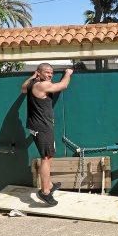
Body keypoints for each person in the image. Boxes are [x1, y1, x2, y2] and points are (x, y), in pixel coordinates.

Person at [21, 63, 73, 206]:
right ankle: (44, 192)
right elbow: (63, 86)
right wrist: (68, 73)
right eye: (47, 72)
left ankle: (49, 184)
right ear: (39, 72)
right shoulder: (42, 85)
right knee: (45, 157)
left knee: (49, 155)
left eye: (51, 73)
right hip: (42, 127)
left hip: (37, 126)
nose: (50, 75)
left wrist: (33, 76)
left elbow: (23, 88)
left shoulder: (32, 83)